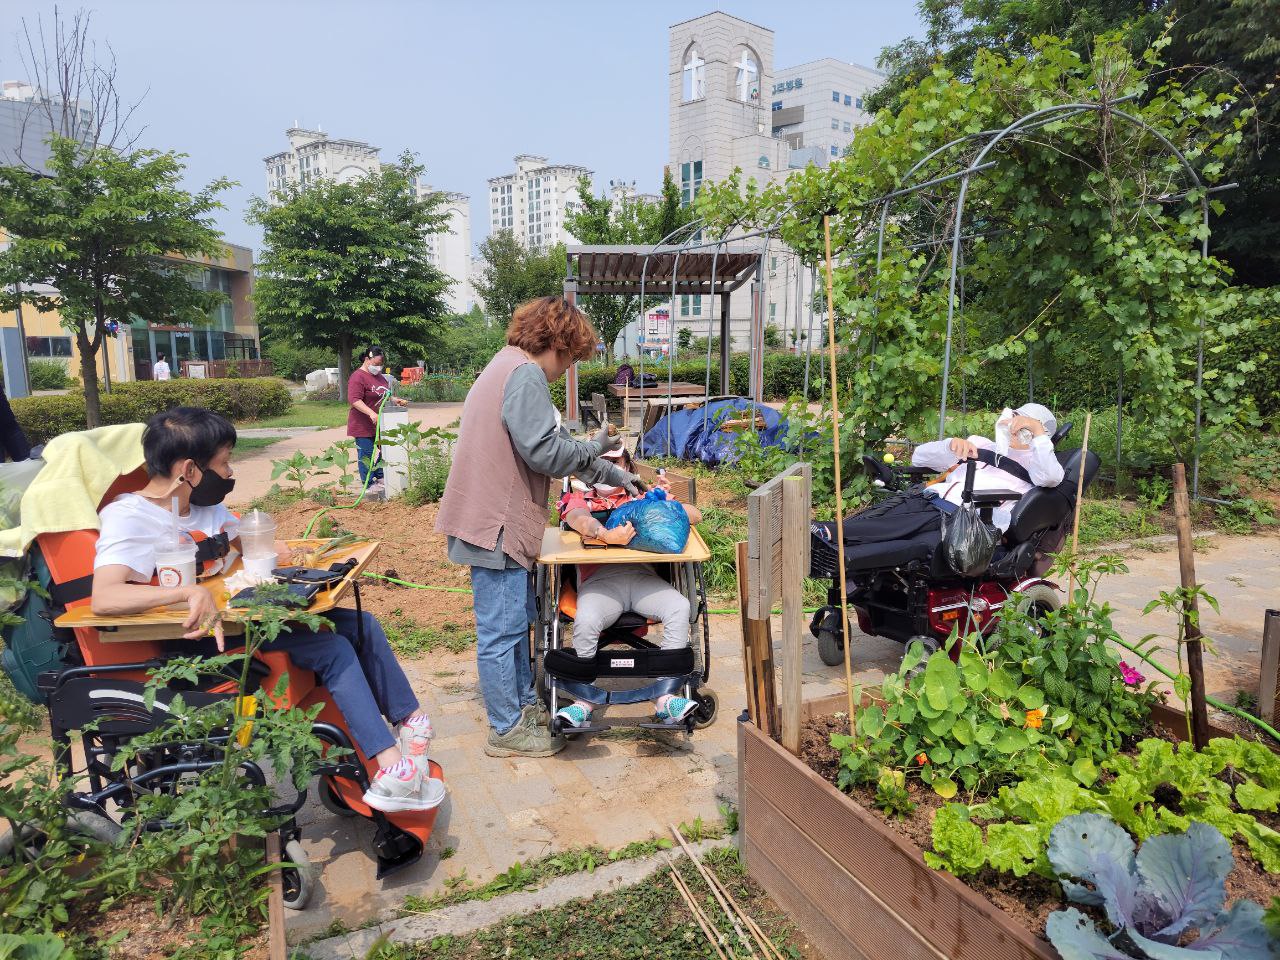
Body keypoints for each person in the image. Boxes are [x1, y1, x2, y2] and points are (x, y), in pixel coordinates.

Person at [91, 406, 442, 813]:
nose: (229, 472)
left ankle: (411, 721)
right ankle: (389, 764)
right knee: (332, 648)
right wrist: (184, 593)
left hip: (245, 622)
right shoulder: (129, 518)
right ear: (188, 470)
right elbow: (106, 596)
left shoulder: (203, 510)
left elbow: (250, 542)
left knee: (360, 623)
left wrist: (294, 550)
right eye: (223, 463)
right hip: (197, 643)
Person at [436, 296, 646, 758]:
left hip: (493, 521)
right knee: (501, 631)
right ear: (556, 342)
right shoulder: (525, 373)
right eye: (570, 357)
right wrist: (595, 453)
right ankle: (506, 729)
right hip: (495, 524)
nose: (567, 367)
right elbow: (546, 454)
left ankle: (524, 705)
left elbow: (550, 443)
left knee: (514, 625)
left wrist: (608, 469)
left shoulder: (506, 366)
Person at [553, 447, 703, 728]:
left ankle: (665, 697)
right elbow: (578, 519)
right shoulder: (577, 497)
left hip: (642, 579)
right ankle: (583, 702)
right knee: (586, 619)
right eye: (602, 461)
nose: (608, 466)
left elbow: (696, 515)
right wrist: (604, 533)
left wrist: (666, 503)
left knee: (679, 607)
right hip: (599, 582)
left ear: (625, 463)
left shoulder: (639, 495)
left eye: (615, 461)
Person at [817, 403, 1064, 562]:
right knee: (884, 516)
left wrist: (1039, 436)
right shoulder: (982, 445)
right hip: (930, 499)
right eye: (1015, 421)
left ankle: (827, 532)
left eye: (1024, 427)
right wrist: (950, 446)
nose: (1015, 430)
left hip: (965, 519)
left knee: (902, 530)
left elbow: (1052, 477)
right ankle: (831, 543)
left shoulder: (1037, 466)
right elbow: (920, 457)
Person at [347, 346, 409, 497]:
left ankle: (380, 476)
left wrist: (395, 400)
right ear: (367, 359)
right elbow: (354, 400)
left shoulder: (379, 377)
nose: (378, 367)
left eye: (380, 364)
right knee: (367, 454)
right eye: (376, 363)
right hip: (363, 424)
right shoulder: (358, 376)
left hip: (379, 424)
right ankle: (367, 484)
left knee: (380, 452)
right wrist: (371, 413)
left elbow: (384, 395)